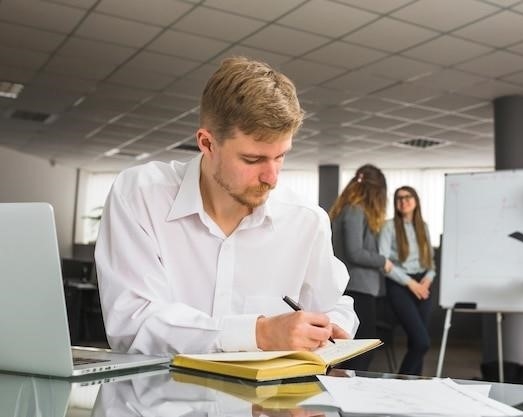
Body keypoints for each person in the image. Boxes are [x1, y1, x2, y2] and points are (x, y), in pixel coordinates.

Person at [95, 56, 358, 355]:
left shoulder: (307, 220)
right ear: (207, 144)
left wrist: (331, 324)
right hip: (161, 397)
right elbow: (133, 324)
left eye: (281, 156)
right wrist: (258, 334)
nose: (271, 178)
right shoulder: (140, 196)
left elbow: (335, 304)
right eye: (253, 159)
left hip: (269, 401)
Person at [328, 164, 393, 371]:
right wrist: (382, 261)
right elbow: (354, 252)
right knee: (362, 350)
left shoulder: (349, 209)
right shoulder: (354, 210)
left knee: (355, 348)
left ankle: (342, 393)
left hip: (360, 287)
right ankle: (344, 393)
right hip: (357, 287)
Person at [378, 186, 435, 375]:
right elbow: (383, 261)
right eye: (399, 198)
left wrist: (427, 280)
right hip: (400, 285)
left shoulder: (423, 226)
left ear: (416, 200)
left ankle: (413, 388)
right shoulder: (388, 227)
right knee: (422, 341)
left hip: (423, 285)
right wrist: (411, 284)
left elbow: (431, 262)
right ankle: (400, 384)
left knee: (415, 343)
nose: (403, 201)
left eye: (408, 196)